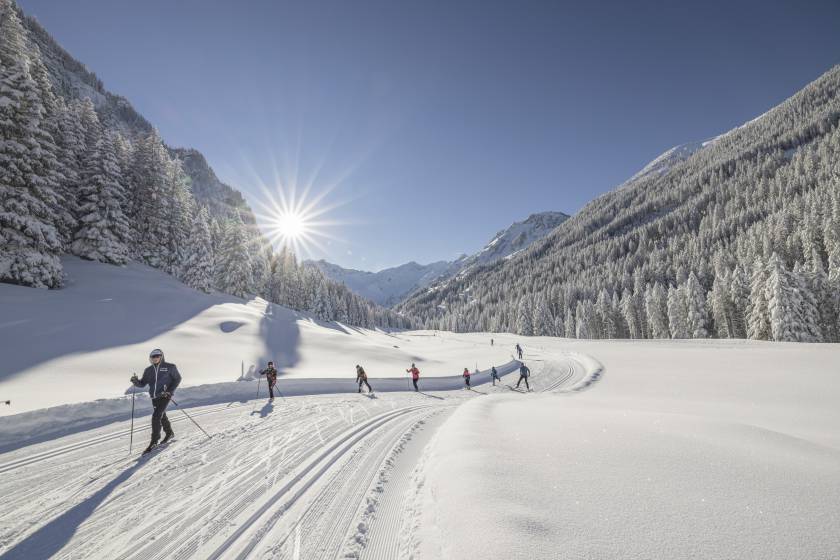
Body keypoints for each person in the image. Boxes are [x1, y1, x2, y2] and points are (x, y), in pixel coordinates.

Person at [131, 348, 182, 454]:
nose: (155, 358)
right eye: (153, 357)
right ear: (150, 358)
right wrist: (136, 381)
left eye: (157, 356)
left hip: (165, 396)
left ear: (161, 356)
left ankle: (154, 441)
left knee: (156, 416)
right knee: (162, 415)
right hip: (154, 397)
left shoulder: (170, 367)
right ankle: (169, 433)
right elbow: (142, 383)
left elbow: (177, 379)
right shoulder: (148, 370)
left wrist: (169, 390)